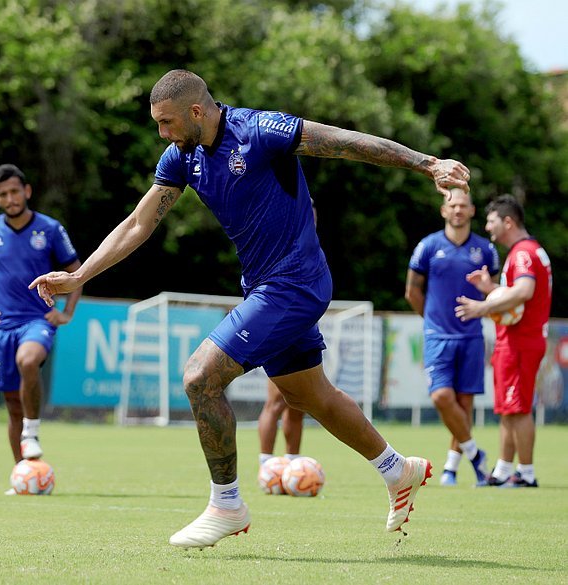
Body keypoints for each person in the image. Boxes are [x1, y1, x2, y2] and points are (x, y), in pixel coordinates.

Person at [30, 70, 470, 548]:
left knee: (200, 376)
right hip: (264, 287)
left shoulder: (261, 131)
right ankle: (396, 469)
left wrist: (426, 163)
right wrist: (78, 277)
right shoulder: (182, 157)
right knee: (310, 396)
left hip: (295, 283)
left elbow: (345, 143)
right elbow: (138, 224)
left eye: (167, 122)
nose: (162, 133)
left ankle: (227, 504)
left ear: (197, 111)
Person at [0, 164, 83, 490]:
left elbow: (76, 271)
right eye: (3, 194)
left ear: (26, 192)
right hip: (2, 326)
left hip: (36, 321)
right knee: (12, 405)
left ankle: (32, 431)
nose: (10, 198)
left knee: (28, 361)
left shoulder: (51, 229)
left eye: (15, 191)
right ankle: (23, 477)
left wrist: (67, 311)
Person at [454, 194, 552, 488]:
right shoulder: (530, 251)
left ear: (508, 222)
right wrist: (491, 288)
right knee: (509, 408)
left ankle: (526, 473)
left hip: (521, 342)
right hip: (518, 341)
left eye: (491, 220)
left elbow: (523, 291)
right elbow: (518, 296)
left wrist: (482, 307)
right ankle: (503, 471)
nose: (487, 226)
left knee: (518, 408)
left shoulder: (522, 253)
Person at [404, 188, 499, 487]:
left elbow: (495, 293)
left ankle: (451, 468)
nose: (458, 210)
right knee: (441, 397)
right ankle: (476, 455)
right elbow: (412, 291)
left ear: (472, 211)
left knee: (464, 404)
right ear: (443, 211)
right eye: (452, 205)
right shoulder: (428, 246)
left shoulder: (486, 250)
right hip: (437, 336)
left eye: (463, 206)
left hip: (471, 336)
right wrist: (431, 320)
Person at [257, 199, 317, 467]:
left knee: (300, 401)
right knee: (275, 400)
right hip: (278, 322)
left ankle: (293, 462)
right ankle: (266, 464)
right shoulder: (277, 244)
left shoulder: (312, 250)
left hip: (303, 324)